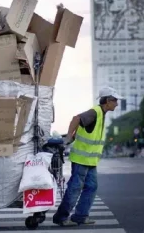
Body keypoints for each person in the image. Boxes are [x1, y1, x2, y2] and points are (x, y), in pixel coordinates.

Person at [53, 87, 123, 227]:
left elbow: (82, 130)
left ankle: (80, 216)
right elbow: (76, 119)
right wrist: (67, 137)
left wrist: (71, 137)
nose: (117, 103)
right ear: (108, 100)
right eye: (115, 100)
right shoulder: (95, 112)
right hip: (81, 160)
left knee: (91, 187)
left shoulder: (100, 114)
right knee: (75, 188)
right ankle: (61, 217)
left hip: (90, 160)